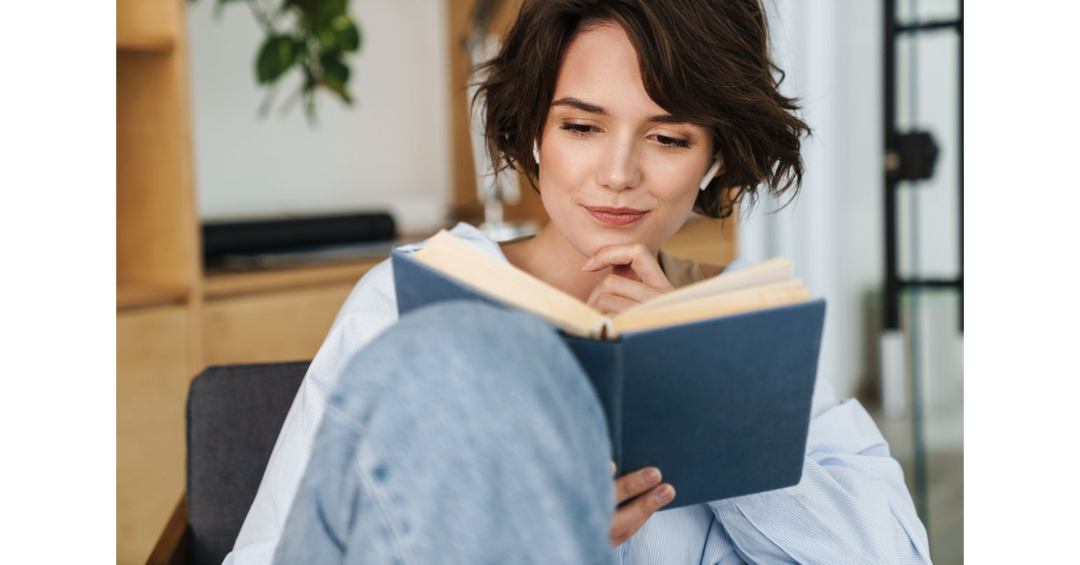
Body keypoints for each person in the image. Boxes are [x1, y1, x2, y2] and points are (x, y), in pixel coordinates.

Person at [224, 1, 933, 564]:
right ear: (536, 129)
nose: (618, 174)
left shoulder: (745, 325)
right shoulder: (404, 303)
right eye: (582, 126)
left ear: (716, 156)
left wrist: (705, 387)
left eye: (668, 137)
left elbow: (891, 554)